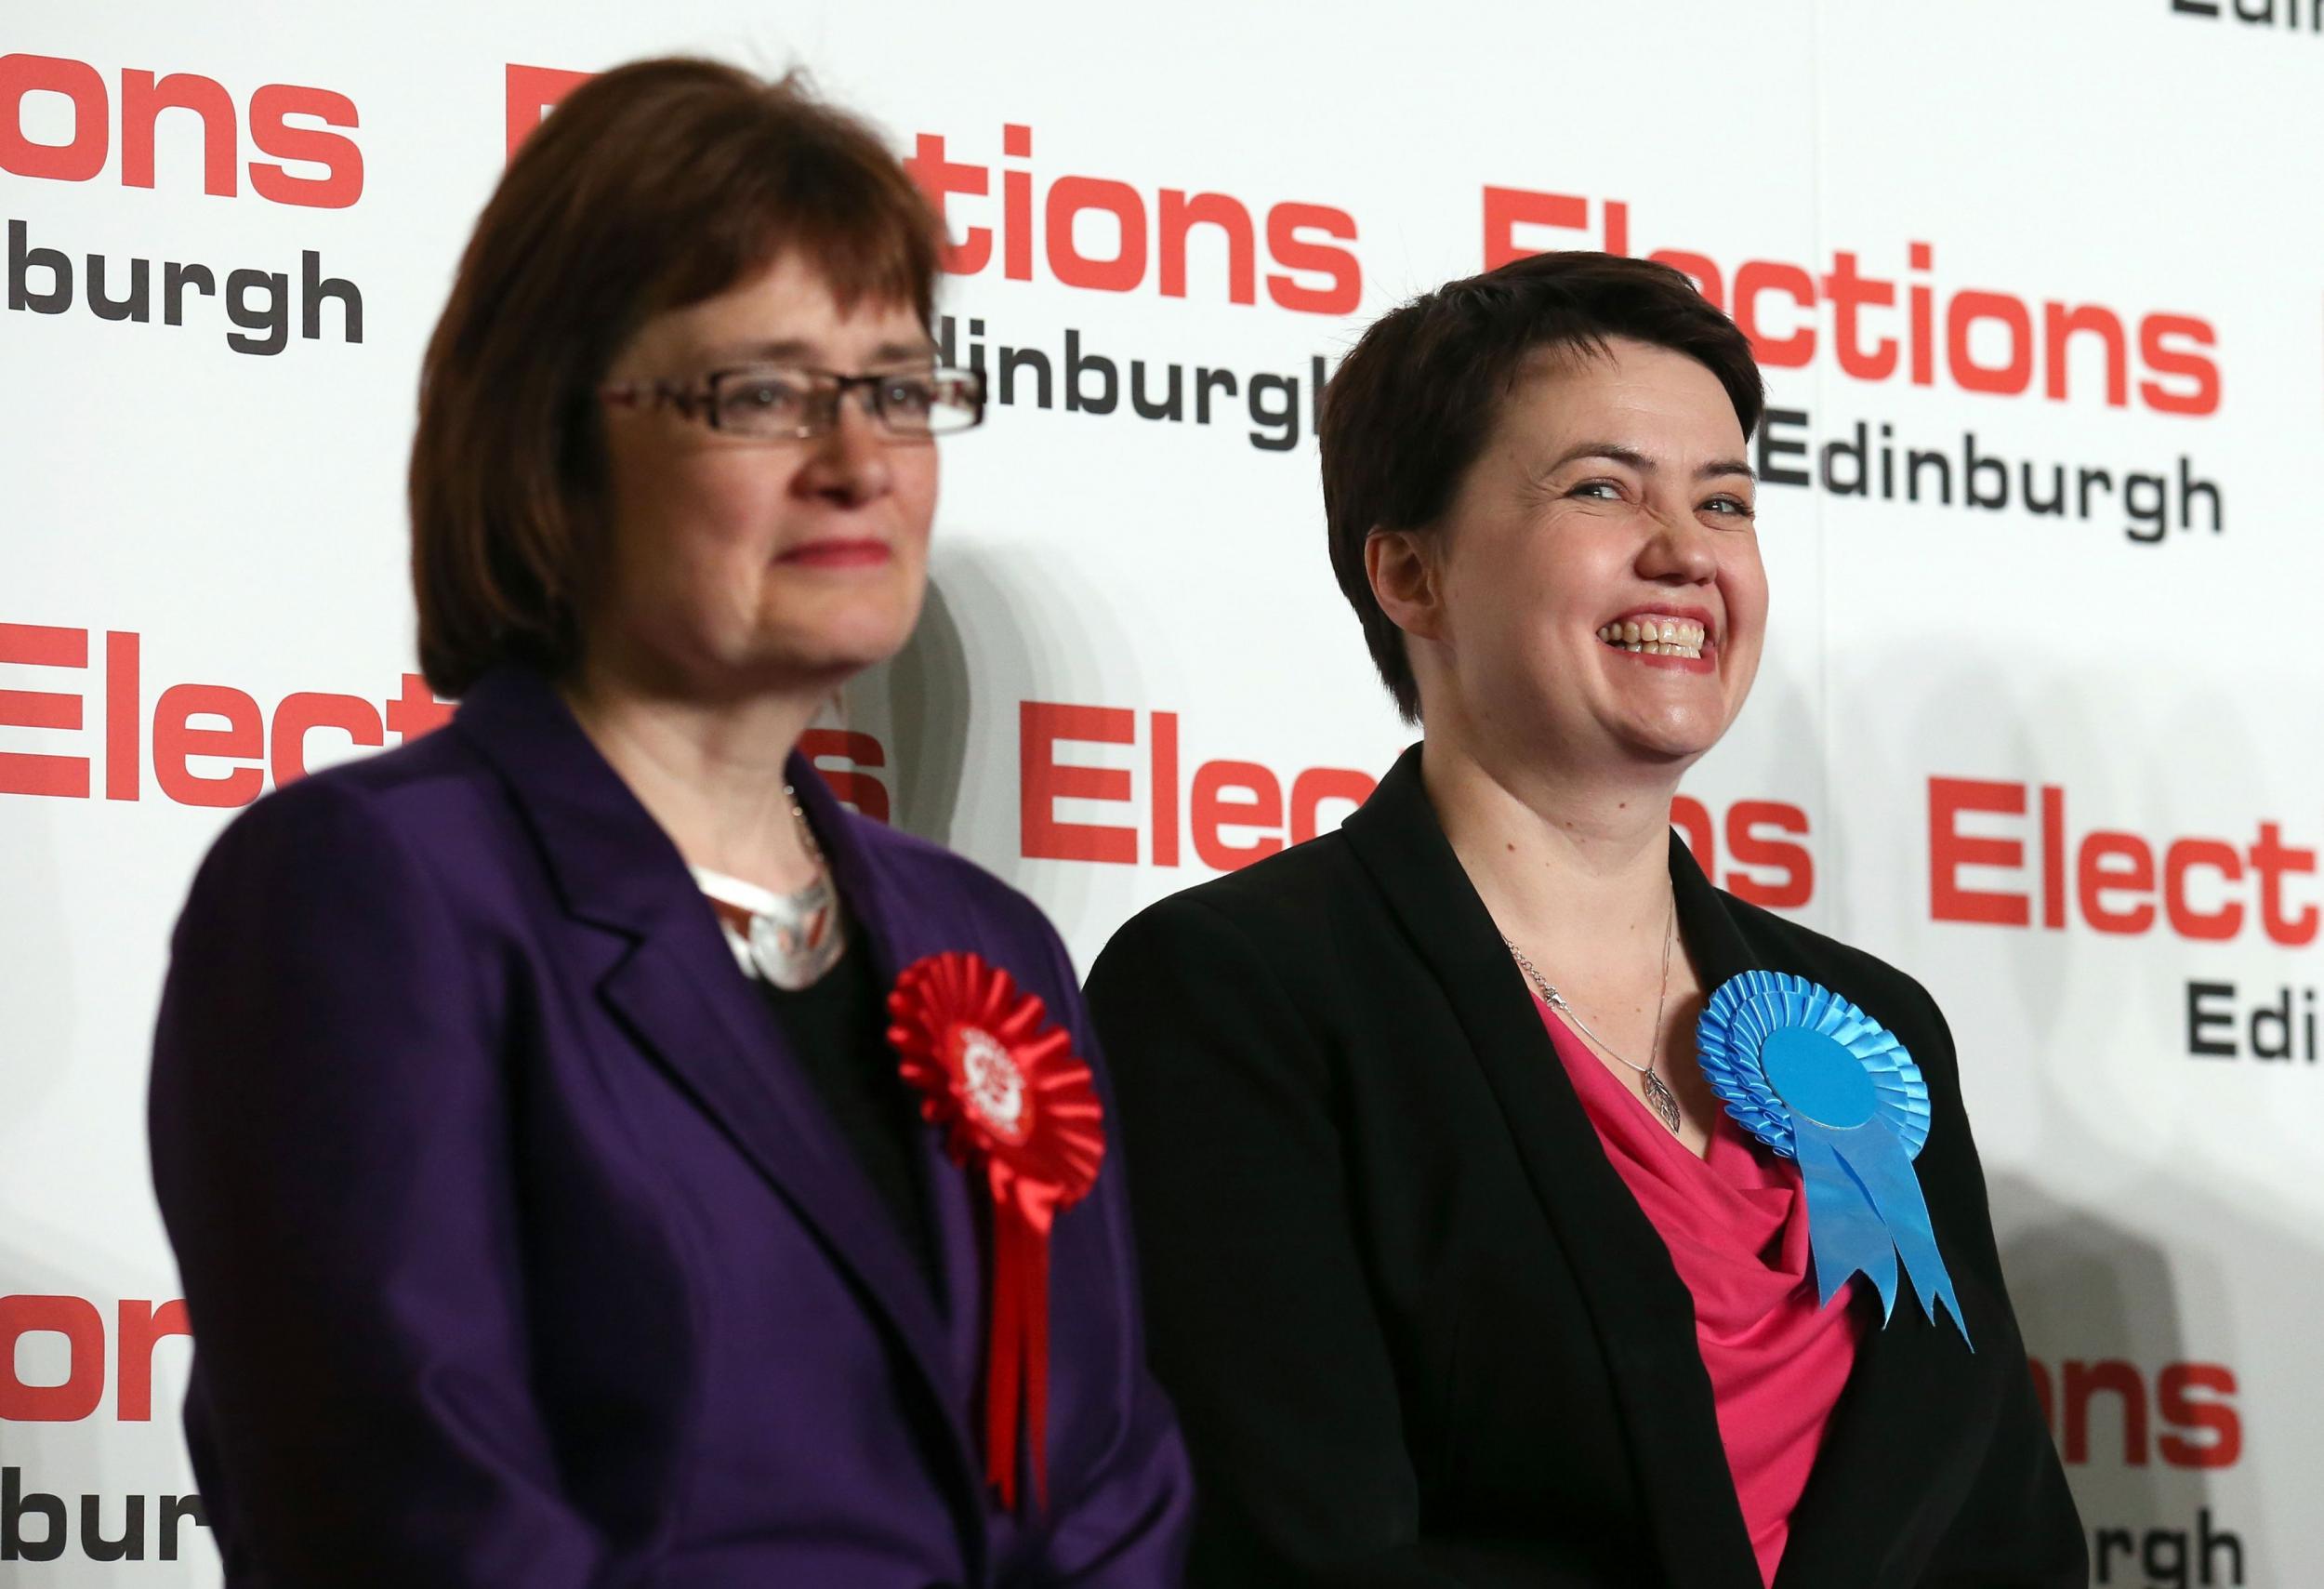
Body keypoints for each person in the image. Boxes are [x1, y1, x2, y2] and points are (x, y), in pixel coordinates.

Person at [149, 57, 1188, 1588]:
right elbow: (416, 1516)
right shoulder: (371, 891)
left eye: (898, 389)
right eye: (761, 392)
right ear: (551, 441)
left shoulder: (990, 943)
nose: (859, 461)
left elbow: (1108, 1493)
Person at [1086, 251, 2083, 1588]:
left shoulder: (1869, 1023)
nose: (1685, 552)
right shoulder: (1237, 991)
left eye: (1724, 500)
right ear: (1410, 574)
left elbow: (2007, 1534)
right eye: (1603, 488)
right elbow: (1298, 1547)